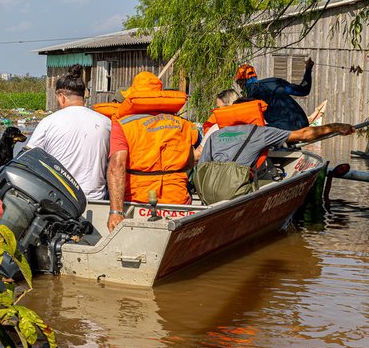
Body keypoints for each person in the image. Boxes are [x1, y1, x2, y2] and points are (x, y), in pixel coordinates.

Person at [195, 97, 354, 204]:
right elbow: (304, 134)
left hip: (207, 192)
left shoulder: (215, 134)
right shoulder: (259, 132)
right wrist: (336, 127)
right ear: (253, 113)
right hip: (233, 191)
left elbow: (202, 166)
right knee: (276, 180)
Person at [107, 71, 200, 232]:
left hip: (138, 200)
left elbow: (117, 166)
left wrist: (115, 211)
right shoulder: (183, 124)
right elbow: (192, 159)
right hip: (177, 199)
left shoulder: (123, 125)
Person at [25, 64, 111, 199]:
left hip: (60, 199)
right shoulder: (105, 122)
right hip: (96, 199)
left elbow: (28, 158)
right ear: (84, 94)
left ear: (62, 96)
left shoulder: (49, 122)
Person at [236, 58, 314, 130]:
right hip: (303, 121)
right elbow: (303, 90)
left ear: (242, 81)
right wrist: (308, 69)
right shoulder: (274, 81)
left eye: (238, 82)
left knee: (253, 132)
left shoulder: (250, 97)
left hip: (286, 127)